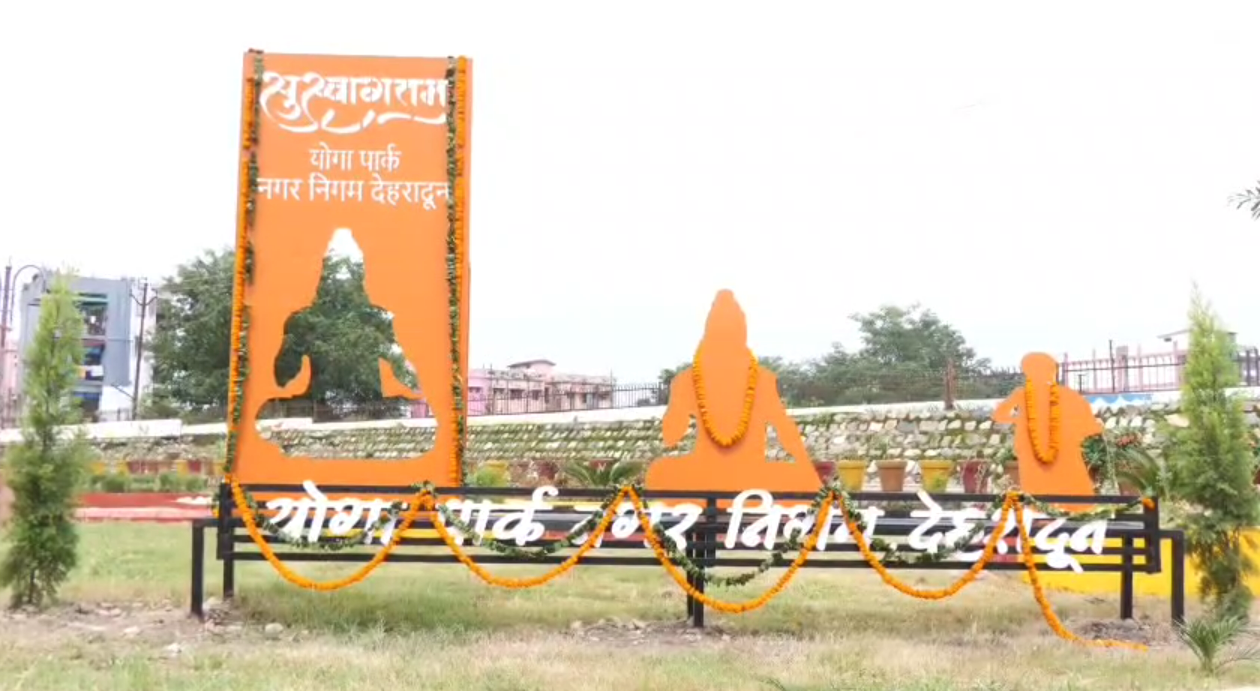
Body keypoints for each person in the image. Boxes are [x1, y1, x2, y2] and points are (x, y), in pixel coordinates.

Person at [644, 290, 822, 498]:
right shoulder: (687, 380)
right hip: (708, 473)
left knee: (660, 472)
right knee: (659, 472)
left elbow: (784, 428)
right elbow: (670, 436)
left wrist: (805, 466)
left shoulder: (761, 379)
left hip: (750, 472)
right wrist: (677, 405)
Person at [992, 352, 1100, 508]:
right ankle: (1065, 510)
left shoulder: (1024, 394)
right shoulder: (1065, 394)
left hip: (1045, 448)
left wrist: (1019, 421)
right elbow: (1090, 427)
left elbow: (999, 415)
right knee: (1064, 487)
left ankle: (1045, 511)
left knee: (1040, 491)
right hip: (1041, 448)